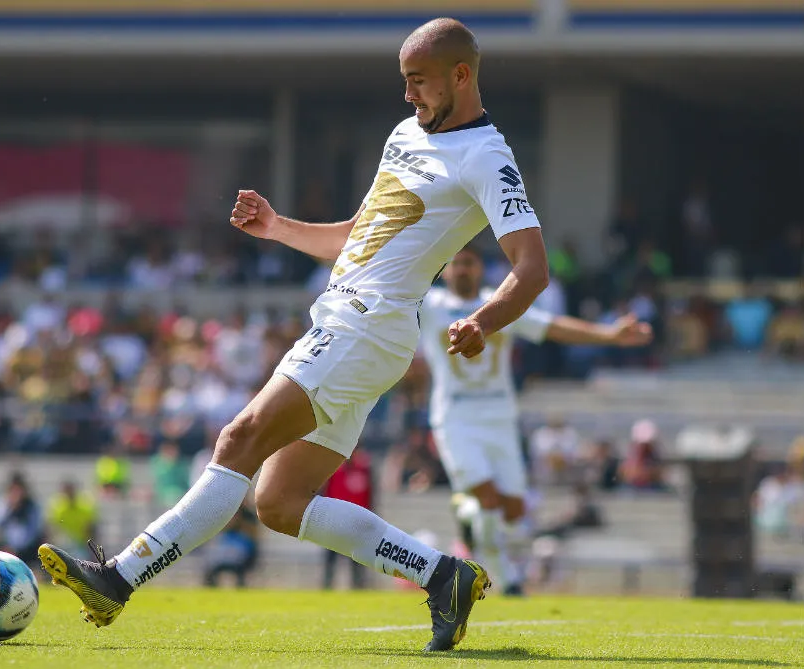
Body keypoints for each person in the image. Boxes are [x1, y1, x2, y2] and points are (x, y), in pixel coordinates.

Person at [39, 18, 550, 652]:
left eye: (418, 81)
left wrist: (483, 320)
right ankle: (444, 576)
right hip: (352, 324)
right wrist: (278, 227)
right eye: (405, 81)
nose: (408, 93)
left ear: (461, 75)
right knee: (279, 502)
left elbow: (532, 268)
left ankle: (118, 578)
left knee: (239, 438)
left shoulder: (487, 156)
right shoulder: (405, 134)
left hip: (367, 325)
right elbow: (359, 235)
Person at [419, 245, 652, 594]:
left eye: (470, 262)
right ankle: (507, 581)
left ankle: (468, 514)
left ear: (480, 268)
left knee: (514, 514)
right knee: (488, 500)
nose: (463, 269)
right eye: (456, 263)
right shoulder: (429, 305)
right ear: (445, 270)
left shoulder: (500, 305)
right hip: (455, 417)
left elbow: (552, 327)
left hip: (499, 418)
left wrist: (610, 335)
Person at [321, 448, 375, 590]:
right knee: (331, 557)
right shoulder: (334, 469)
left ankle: (358, 586)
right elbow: (326, 492)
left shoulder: (364, 468)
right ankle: (327, 586)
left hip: (357, 521)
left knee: (357, 558)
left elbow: (370, 495)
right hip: (335, 520)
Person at [0, 471, 46, 573]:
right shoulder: (3, 504)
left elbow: (33, 530)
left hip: (27, 548)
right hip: (6, 545)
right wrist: (10, 508)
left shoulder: (31, 506)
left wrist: (18, 549)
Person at [46, 480, 99, 557]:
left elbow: (90, 529)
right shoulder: (57, 507)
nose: (69, 495)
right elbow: (53, 529)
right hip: (62, 546)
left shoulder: (85, 506)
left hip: (81, 546)